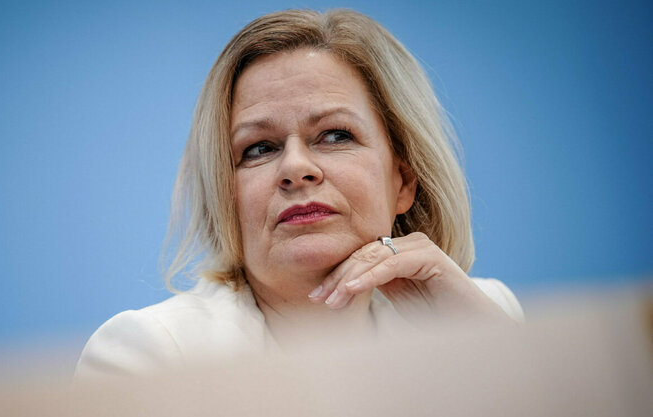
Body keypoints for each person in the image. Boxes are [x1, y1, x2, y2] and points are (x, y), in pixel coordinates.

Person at [75, 9, 524, 378]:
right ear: (225, 197)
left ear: (403, 181)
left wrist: (493, 359)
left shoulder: (482, 316)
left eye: (334, 135)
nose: (294, 168)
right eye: (259, 148)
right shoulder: (150, 356)